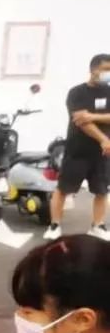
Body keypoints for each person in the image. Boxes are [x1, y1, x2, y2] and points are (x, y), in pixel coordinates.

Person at [45, 54, 110, 241]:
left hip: (103, 153)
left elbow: (88, 118)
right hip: (78, 150)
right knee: (63, 189)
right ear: (93, 69)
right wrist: (103, 139)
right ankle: (54, 225)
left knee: (101, 190)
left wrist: (93, 116)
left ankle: (98, 225)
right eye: (106, 69)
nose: (108, 74)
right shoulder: (77, 93)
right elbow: (81, 121)